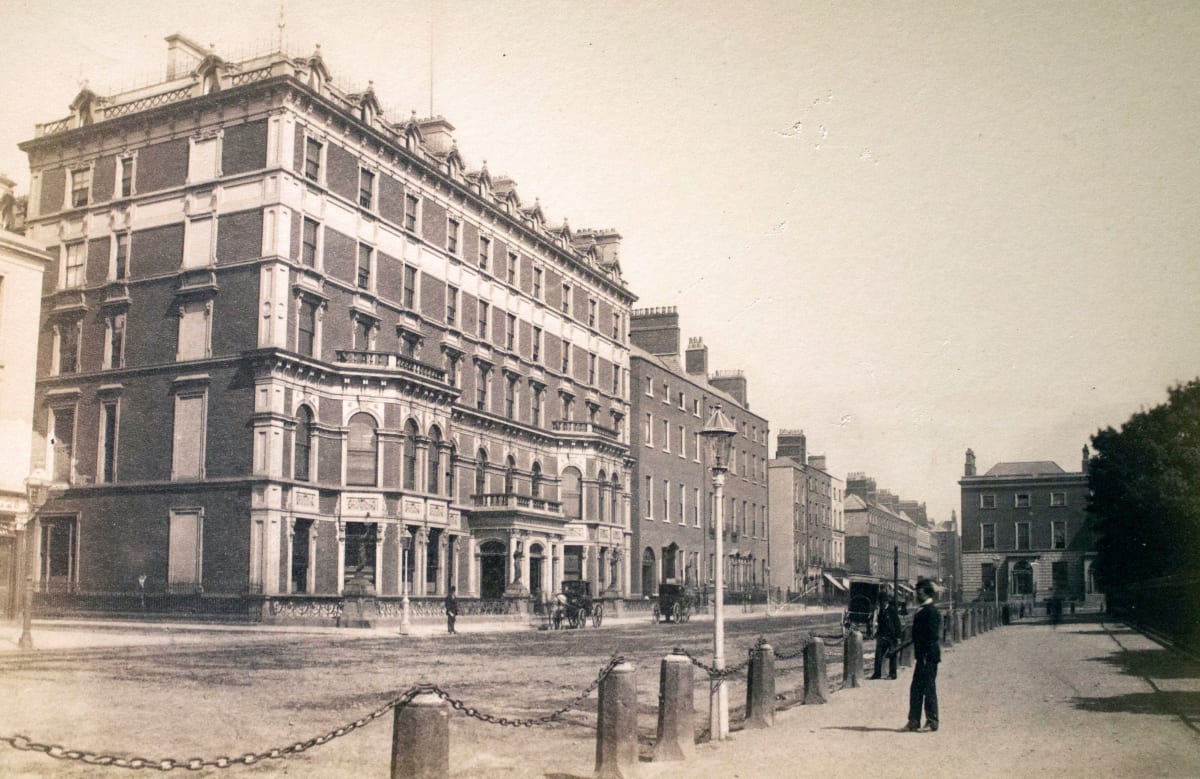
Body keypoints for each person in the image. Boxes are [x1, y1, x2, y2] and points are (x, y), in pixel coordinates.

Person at [905, 579, 941, 732]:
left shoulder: (931, 611)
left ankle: (932, 721)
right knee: (916, 688)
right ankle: (913, 721)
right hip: (923, 656)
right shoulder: (923, 609)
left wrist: (924, 653)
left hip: (928, 655)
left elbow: (932, 635)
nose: (916, 593)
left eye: (918, 590)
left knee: (928, 688)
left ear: (925, 592)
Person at [869, 587, 902, 680]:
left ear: (887, 601)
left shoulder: (892, 610)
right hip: (882, 636)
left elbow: (897, 623)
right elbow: (878, 623)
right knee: (878, 655)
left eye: (883, 601)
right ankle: (877, 673)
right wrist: (876, 633)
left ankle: (893, 674)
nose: (882, 603)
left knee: (892, 655)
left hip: (891, 637)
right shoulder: (880, 611)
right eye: (881, 601)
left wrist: (898, 637)